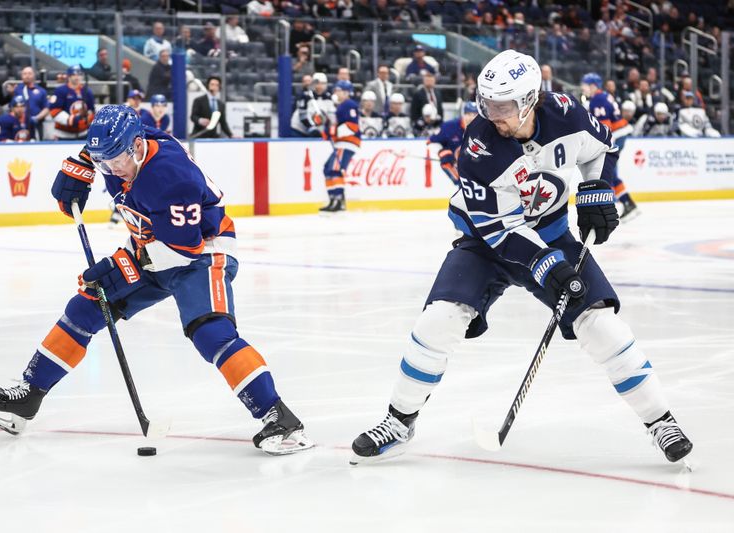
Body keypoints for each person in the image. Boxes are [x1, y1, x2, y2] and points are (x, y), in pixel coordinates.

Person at [350, 49, 693, 467]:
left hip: (550, 232)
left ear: (530, 100)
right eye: (486, 103)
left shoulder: (568, 114)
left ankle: (661, 422)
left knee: (600, 323)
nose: (493, 114)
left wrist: (595, 191)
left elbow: (601, 146)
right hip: (484, 243)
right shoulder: (479, 147)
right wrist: (548, 265)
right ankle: (399, 421)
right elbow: (499, 232)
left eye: (503, 106)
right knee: (438, 319)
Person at [0, 105, 313, 456]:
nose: (111, 170)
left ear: (136, 146)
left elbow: (183, 251)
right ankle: (30, 394)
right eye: (103, 161)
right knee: (86, 307)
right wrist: (82, 163)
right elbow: (101, 149)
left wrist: (121, 267)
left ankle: (280, 417)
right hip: (152, 241)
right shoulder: (123, 146)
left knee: (210, 332)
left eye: (114, 160)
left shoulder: (171, 176)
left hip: (202, 251)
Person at [580, 72, 639, 220]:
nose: (583, 88)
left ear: (593, 86)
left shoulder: (597, 100)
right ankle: (625, 203)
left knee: (608, 170)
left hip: (617, 136)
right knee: (610, 171)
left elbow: (604, 128)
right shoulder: (602, 96)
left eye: (585, 85)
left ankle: (625, 203)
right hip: (620, 134)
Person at [319, 80, 360, 213]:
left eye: (339, 90)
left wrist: (333, 131)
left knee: (335, 170)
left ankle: (339, 201)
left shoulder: (349, 105)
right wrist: (324, 126)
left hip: (347, 142)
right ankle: (333, 199)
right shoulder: (339, 106)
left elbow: (352, 126)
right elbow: (333, 126)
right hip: (340, 143)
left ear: (346, 92)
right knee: (327, 169)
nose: (336, 93)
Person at [427, 101, 478, 185]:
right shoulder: (449, 127)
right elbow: (430, 142)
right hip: (456, 169)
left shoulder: (484, 129)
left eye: (475, 115)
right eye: (468, 114)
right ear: (463, 115)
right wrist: (441, 152)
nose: (471, 118)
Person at [49, 65, 95, 141]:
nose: (77, 77)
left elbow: (91, 110)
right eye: (74, 75)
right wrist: (70, 120)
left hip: (83, 133)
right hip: (63, 134)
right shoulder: (60, 91)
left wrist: (86, 120)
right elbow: (54, 111)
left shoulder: (87, 91)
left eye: (79, 75)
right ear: (69, 76)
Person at [290, 72, 333, 137]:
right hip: (299, 130)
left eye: (323, 83)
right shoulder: (305, 96)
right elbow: (303, 116)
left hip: (316, 131)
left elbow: (331, 115)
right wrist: (312, 127)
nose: (320, 86)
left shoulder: (329, 97)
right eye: (317, 83)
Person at [13, 66, 49, 140]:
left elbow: (46, 108)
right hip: (20, 125)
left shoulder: (41, 91)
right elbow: (13, 107)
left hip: (36, 124)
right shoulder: (17, 89)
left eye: (29, 73)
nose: (27, 76)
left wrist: (37, 118)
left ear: (34, 75)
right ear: (21, 76)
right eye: (25, 74)